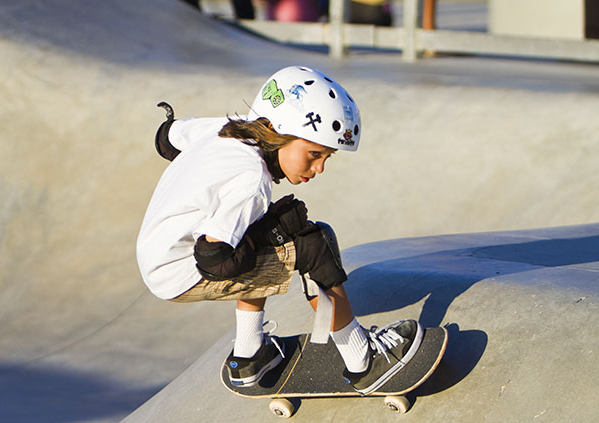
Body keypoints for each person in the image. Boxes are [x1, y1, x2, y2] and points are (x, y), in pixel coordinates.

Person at [137, 66, 421, 393]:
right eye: (314, 154)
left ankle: (249, 355)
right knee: (315, 244)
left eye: (327, 157)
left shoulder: (229, 129)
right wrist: (271, 236)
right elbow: (214, 257)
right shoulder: (251, 182)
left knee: (271, 227)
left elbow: (169, 139)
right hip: (182, 270)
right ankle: (363, 360)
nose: (319, 168)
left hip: (157, 249)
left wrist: (266, 230)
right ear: (280, 131)